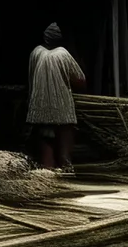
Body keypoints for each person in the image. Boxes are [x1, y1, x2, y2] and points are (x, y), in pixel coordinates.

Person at [27, 22, 87, 170]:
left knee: (46, 156)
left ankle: (48, 175)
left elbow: (30, 78)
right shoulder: (62, 53)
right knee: (64, 152)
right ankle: (65, 168)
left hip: (39, 108)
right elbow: (80, 79)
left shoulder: (35, 52)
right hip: (61, 109)